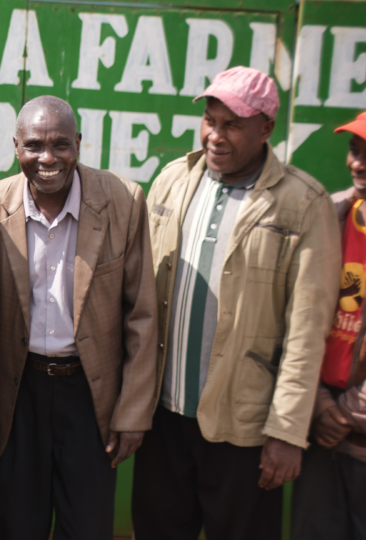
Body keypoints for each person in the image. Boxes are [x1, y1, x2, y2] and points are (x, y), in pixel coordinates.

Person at [132, 66, 341, 540]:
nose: (215, 135)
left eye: (232, 125)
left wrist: (287, 432)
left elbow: (307, 330)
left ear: (267, 128)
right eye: (210, 120)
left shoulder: (302, 203)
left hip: (244, 429)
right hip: (164, 418)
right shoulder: (172, 180)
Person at [0, 95, 158, 539]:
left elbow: (142, 315)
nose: (47, 158)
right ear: (16, 147)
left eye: (60, 145)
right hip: (20, 390)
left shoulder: (123, 201)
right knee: (14, 525)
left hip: (91, 398)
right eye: (34, 145)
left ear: (79, 144)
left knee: (86, 526)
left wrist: (132, 413)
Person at [291, 111, 366, 539]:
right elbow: (296, 319)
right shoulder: (329, 216)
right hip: (320, 432)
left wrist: (347, 413)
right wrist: (320, 406)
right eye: (355, 151)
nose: (358, 163)